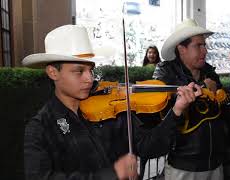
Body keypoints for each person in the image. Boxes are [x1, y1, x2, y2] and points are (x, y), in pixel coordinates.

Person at [23, 25, 202, 180]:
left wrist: (177, 110)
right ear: (53, 72)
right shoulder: (40, 127)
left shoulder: (114, 108)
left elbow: (151, 146)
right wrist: (112, 174)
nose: (89, 79)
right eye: (79, 71)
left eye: (91, 70)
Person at [153, 19, 230, 180]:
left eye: (204, 45)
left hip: (215, 162)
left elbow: (222, 113)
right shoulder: (165, 71)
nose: (205, 50)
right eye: (198, 45)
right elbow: (164, 110)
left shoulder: (210, 73)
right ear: (181, 48)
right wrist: (201, 86)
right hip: (183, 165)